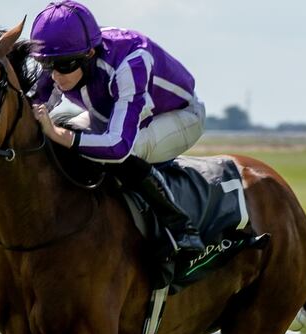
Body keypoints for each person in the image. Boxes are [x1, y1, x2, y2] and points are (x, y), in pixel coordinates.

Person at [29, 0, 206, 259]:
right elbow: (34, 105)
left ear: (88, 55)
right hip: (111, 113)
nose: (55, 75)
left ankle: (182, 229)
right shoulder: (67, 53)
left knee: (126, 152)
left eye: (64, 65)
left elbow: (118, 146)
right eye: (47, 64)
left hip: (177, 117)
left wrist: (59, 134)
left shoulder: (130, 63)